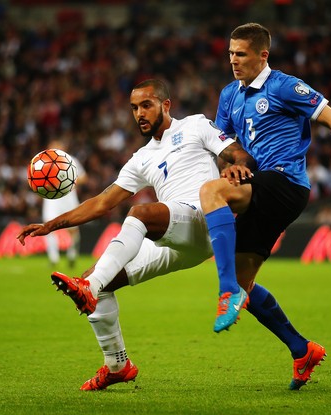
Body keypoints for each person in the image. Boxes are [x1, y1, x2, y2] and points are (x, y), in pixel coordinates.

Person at [198, 23, 331, 390]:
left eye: (241, 53)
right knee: (245, 284)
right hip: (259, 185)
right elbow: (222, 145)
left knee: (211, 193)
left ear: (263, 55)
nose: (233, 60)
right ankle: (301, 348)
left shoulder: (283, 86)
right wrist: (229, 163)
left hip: (285, 182)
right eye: (230, 52)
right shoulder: (229, 94)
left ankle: (225, 291)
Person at [16, 79, 255, 391]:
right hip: (175, 240)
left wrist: (238, 165)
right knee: (100, 282)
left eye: (146, 105)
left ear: (165, 105)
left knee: (140, 213)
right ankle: (117, 364)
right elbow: (102, 202)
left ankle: (89, 286)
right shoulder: (140, 158)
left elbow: (237, 152)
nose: (139, 113)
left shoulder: (195, 126)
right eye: (134, 108)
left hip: (203, 220)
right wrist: (51, 225)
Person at [42, 140, 87, 269]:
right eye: (53, 146)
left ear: (64, 148)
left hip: (68, 198)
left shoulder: (71, 160)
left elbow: (84, 177)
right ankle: (53, 258)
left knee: (73, 229)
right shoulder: (45, 162)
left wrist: (70, 181)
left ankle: (72, 255)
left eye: (58, 146)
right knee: (48, 226)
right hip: (51, 199)